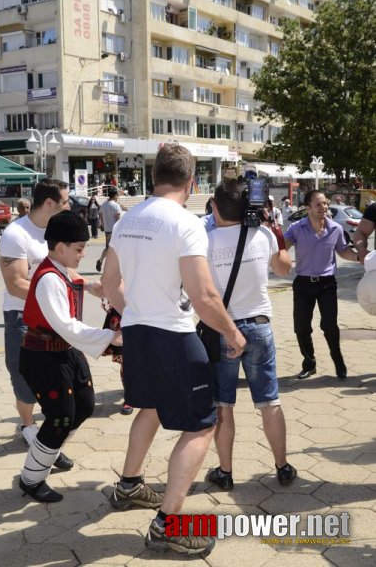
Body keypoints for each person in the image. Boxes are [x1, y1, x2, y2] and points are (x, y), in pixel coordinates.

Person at [101, 144, 245, 557]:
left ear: (153, 176)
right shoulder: (185, 223)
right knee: (202, 425)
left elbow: (111, 284)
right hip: (174, 336)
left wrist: (138, 311)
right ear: (191, 181)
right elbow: (203, 296)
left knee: (148, 406)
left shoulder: (127, 218)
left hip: (137, 334)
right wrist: (233, 334)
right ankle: (168, 523)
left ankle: (128, 485)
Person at [203, 180, 296, 491]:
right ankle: (282, 466)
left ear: (214, 207)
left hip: (223, 329)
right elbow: (284, 269)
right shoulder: (264, 234)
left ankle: (226, 472)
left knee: (223, 404)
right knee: (269, 401)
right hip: (259, 326)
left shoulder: (205, 241)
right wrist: (275, 229)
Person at [18, 211, 116, 503]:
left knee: (84, 406)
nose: (83, 254)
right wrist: (112, 338)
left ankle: (48, 450)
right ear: (60, 247)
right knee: (60, 417)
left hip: (65, 351)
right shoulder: (49, 278)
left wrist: (90, 285)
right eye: (79, 248)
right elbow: (66, 326)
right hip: (43, 356)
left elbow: (73, 278)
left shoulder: (59, 269)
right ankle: (31, 479)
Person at [0, 179, 102, 447]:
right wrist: (51, 298)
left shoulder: (57, 231)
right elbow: (15, 282)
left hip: (58, 317)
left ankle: (49, 439)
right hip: (23, 319)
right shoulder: (16, 234)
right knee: (24, 383)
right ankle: (28, 427)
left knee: (62, 388)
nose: (69, 206)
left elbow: (63, 270)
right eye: (66, 201)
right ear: (49, 203)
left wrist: (88, 285)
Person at [284, 190, 358, 380]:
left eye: (325, 203)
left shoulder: (335, 228)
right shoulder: (296, 228)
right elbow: (282, 247)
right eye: (318, 204)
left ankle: (338, 359)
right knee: (301, 327)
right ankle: (309, 363)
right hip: (303, 284)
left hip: (327, 284)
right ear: (307, 207)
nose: (323, 207)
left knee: (329, 325)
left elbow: (343, 252)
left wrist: (361, 257)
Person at [95, 187, 121, 273]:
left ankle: (101, 260)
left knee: (108, 247)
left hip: (107, 230)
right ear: (114, 196)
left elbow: (101, 216)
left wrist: (102, 225)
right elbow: (118, 219)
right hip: (115, 230)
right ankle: (112, 267)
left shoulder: (104, 205)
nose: (118, 196)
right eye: (117, 195)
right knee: (115, 249)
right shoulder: (116, 205)